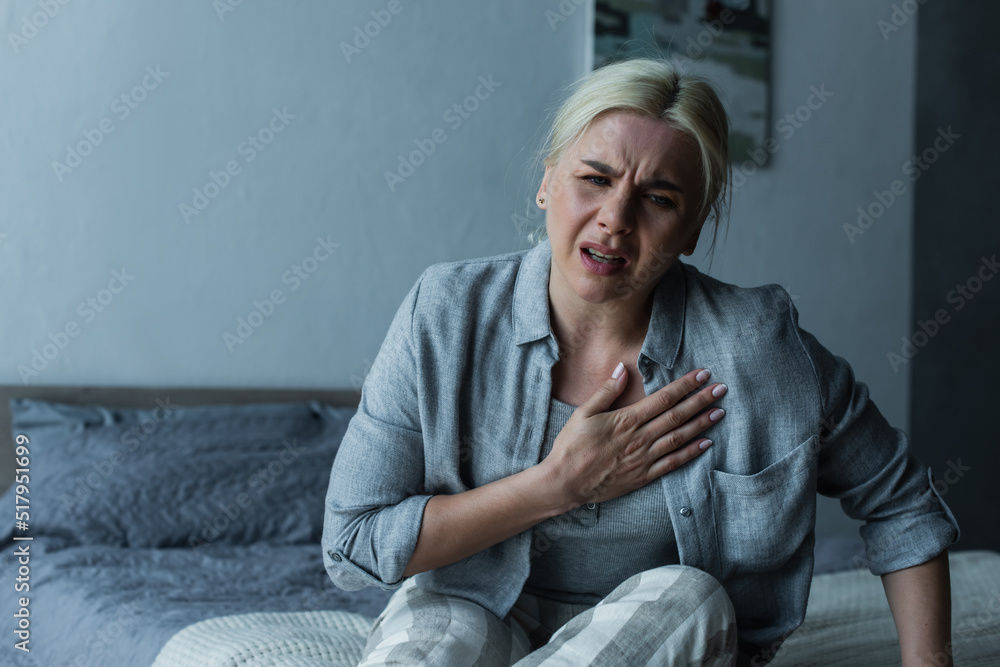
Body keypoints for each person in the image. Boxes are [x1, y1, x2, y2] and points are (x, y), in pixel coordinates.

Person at [322, 58, 960, 666]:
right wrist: (557, 485)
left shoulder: (759, 347)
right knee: (435, 623)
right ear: (547, 182)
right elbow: (351, 544)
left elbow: (900, 503)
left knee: (689, 595)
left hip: (662, 632)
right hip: (473, 604)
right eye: (594, 179)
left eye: (658, 198)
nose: (615, 219)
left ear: (694, 228)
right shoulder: (443, 315)